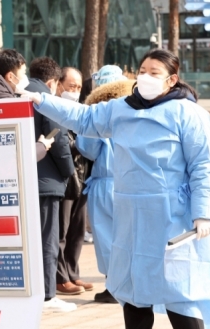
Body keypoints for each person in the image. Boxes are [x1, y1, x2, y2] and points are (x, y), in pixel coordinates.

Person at [25, 49, 210, 329]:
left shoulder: (188, 114)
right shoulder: (121, 110)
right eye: (142, 69)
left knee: (178, 288)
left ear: (172, 79)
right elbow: (83, 118)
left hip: (172, 215)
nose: (145, 76)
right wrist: (41, 100)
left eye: (154, 72)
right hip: (130, 212)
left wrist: (203, 213)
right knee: (132, 288)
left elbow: (203, 165)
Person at [26, 57, 77, 311]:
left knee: (30, 240)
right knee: (48, 239)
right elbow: (58, 141)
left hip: (24, 180)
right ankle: (48, 295)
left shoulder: (18, 94)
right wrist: (68, 173)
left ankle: (33, 291)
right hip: (46, 181)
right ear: (52, 81)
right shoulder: (46, 99)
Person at [78, 67, 132, 305]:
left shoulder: (98, 113)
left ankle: (114, 286)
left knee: (106, 236)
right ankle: (133, 283)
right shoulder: (133, 109)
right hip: (131, 183)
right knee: (129, 235)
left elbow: (88, 149)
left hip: (104, 182)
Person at [55, 67, 94, 295]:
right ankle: (60, 278)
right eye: (71, 86)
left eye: (79, 87)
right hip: (64, 178)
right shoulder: (54, 110)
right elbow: (59, 143)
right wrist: (79, 144)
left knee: (77, 231)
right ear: (59, 85)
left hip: (83, 176)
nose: (75, 91)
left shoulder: (80, 110)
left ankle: (72, 272)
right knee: (62, 230)